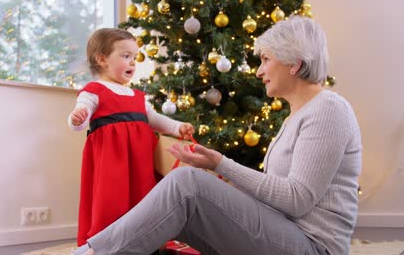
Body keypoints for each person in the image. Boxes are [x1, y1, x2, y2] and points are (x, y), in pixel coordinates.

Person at [74, 16, 362, 255]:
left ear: (294, 64)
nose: (260, 71)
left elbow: (297, 199)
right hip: (288, 234)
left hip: (313, 247)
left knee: (186, 183)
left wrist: (219, 164)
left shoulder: (328, 109)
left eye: (265, 60)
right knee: (184, 206)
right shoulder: (296, 116)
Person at [68, 28, 195, 247]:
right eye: (126, 56)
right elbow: (81, 114)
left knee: (144, 202)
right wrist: (77, 119)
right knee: (111, 202)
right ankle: (107, 244)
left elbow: (153, 118)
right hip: (111, 163)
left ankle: (142, 242)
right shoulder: (94, 90)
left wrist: (177, 127)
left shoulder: (137, 95)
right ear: (102, 59)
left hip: (140, 161)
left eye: (134, 58)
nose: (133, 63)